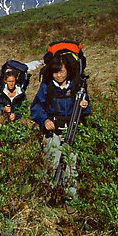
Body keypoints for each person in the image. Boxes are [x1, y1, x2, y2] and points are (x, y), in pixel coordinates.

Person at [30, 51, 91, 213]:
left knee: (71, 166)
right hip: (53, 131)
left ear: (68, 71)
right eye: (55, 72)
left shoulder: (77, 86)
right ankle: (49, 198)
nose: (58, 75)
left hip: (72, 130)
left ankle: (71, 202)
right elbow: (35, 108)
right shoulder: (47, 87)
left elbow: (86, 109)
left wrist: (85, 106)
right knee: (52, 162)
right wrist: (44, 120)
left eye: (62, 72)